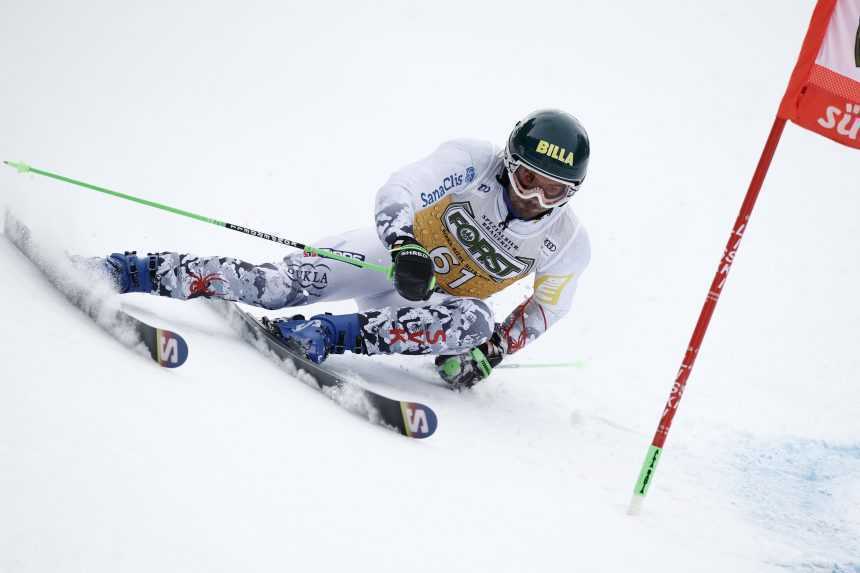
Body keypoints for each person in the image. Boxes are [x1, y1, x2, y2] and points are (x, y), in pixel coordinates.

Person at [103, 109, 592, 388]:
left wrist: (492, 351)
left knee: (476, 321)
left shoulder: (566, 242)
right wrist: (404, 244)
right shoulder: (473, 161)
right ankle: (134, 271)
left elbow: (547, 310)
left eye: (553, 191)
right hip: (388, 260)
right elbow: (400, 189)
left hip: (427, 310)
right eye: (528, 179)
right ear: (509, 162)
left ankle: (322, 334)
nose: (533, 199)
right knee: (273, 286)